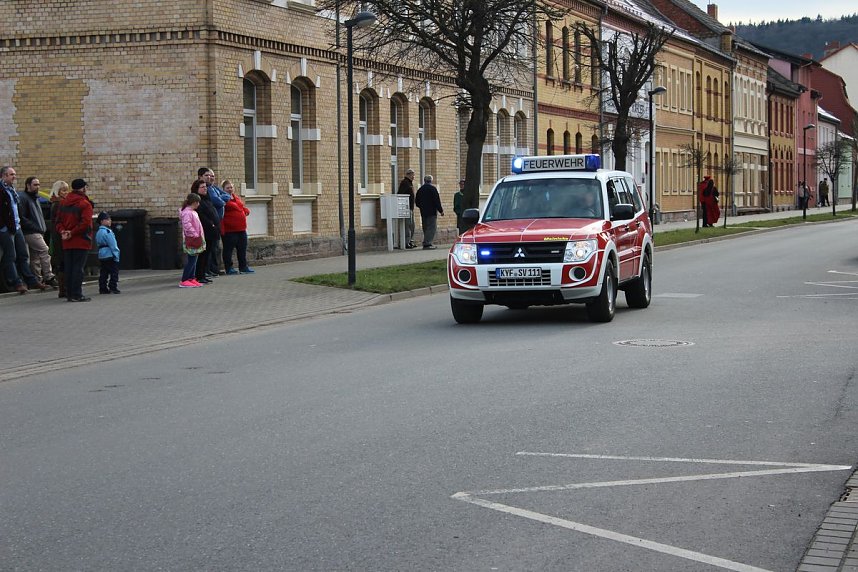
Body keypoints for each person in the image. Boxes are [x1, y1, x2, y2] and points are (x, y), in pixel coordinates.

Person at [1, 166, 47, 294]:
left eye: (14, 174)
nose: (14, 177)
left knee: (23, 254)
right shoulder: (2, 190)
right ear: (4, 176)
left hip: (17, 226)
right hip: (6, 228)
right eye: (11, 175)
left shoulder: (11, 190)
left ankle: (31, 280)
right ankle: (16, 282)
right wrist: (3, 227)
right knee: (11, 256)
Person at [55, 178, 94, 302]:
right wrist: (72, 232)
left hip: (66, 241)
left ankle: (69, 294)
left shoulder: (63, 203)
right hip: (81, 240)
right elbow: (86, 223)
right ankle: (77, 294)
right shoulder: (85, 204)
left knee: (69, 267)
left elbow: (58, 222)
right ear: (83, 188)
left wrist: (63, 232)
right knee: (78, 268)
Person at [18, 176, 58, 288]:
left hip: (37, 231)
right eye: (35, 184)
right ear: (28, 185)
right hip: (31, 232)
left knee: (35, 257)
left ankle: (37, 280)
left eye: (38, 184)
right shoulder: (24, 198)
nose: (38, 187)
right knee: (44, 250)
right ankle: (49, 276)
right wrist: (35, 227)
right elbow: (22, 217)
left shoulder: (34, 198)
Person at [220, 179, 254, 275]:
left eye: (231, 187)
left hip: (241, 229)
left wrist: (245, 210)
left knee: (242, 249)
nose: (230, 189)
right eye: (227, 188)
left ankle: (243, 267)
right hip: (229, 230)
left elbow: (240, 207)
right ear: (223, 189)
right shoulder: (223, 199)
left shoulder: (236, 197)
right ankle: (229, 268)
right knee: (228, 250)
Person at [198, 167, 227, 276]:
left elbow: (227, 196)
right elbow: (216, 201)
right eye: (207, 175)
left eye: (211, 176)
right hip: (209, 225)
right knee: (209, 250)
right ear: (200, 177)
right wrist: (221, 199)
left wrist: (221, 198)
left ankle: (212, 270)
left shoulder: (213, 187)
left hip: (215, 224)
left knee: (215, 248)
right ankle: (205, 271)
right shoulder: (204, 192)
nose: (209, 178)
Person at [192, 179, 219, 284]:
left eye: (205, 187)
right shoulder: (197, 201)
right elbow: (201, 215)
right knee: (203, 255)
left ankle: (203, 275)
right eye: (202, 187)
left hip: (212, 231)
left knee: (207, 255)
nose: (205, 189)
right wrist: (210, 223)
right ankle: (199, 276)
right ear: (197, 189)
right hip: (205, 231)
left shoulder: (207, 198)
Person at [179, 192, 205, 288]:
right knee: (191, 260)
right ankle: (184, 279)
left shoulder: (193, 212)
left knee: (194, 260)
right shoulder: (187, 213)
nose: (199, 204)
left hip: (196, 238)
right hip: (192, 239)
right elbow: (187, 226)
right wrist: (194, 234)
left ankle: (191, 278)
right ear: (193, 202)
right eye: (198, 202)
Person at [48, 181, 70, 298]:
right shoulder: (59, 204)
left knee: (62, 262)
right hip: (59, 236)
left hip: (57, 235)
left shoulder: (56, 203)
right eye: (63, 190)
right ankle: (64, 289)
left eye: (67, 189)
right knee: (63, 261)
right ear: (58, 191)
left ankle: (64, 288)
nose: (66, 192)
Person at [414, 174, 444, 249]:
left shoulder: (420, 189)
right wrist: (441, 211)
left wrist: (421, 207)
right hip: (432, 211)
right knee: (431, 227)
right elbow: (437, 201)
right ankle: (427, 243)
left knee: (425, 227)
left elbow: (417, 201)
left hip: (423, 211)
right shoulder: (433, 189)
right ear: (431, 181)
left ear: (424, 181)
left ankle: (426, 241)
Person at [95, 212, 121, 294]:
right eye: (108, 219)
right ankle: (113, 286)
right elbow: (113, 245)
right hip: (110, 254)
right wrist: (116, 255)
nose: (110, 221)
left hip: (102, 254)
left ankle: (102, 288)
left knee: (104, 272)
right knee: (114, 272)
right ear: (102, 221)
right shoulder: (108, 232)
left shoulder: (98, 232)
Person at [397, 168, 417, 249]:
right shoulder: (405, 183)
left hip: (410, 207)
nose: (413, 177)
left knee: (412, 225)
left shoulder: (410, 183)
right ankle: (406, 242)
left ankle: (410, 241)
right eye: (412, 175)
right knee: (408, 225)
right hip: (406, 207)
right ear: (408, 175)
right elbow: (400, 194)